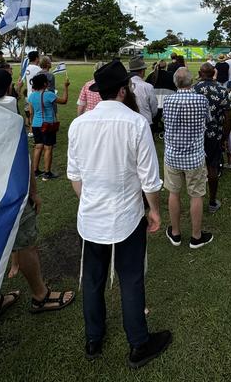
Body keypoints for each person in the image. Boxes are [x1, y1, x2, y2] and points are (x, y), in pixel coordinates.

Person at [67, 60, 171, 367]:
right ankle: (137, 343)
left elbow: (75, 178)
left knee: (93, 279)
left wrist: (91, 202)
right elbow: (150, 179)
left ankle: (94, 339)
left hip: (96, 214)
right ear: (123, 90)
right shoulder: (136, 123)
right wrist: (154, 210)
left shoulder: (80, 124)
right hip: (126, 213)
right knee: (131, 278)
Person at [0, 69, 75, 318]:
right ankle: (41, 295)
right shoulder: (11, 121)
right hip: (10, 193)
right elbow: (22, 161)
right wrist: (34, 192)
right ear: (9, 89)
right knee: (27, 245)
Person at [163, 67, 213, 248]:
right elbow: (207, 121)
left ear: (176, 82)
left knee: (174, 193)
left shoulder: (168, 100)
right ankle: (196, 236)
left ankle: (175, 233)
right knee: (196, 194)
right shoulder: (202, 100)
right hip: (194, 157)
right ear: (191, 81)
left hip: (173, 155)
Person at [194, 63, 231, 212]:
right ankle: (212, 201)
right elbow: (228, 118)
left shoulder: (193, 89)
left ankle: (195, 200)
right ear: (214, 73)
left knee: (195, 169)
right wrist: (224, 138)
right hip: (215, 135)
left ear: (199, 73)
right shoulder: (222, 90)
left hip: (196, 135)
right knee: (212, 168)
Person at [27, 73, 69, 181]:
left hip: (36, 124)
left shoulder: (31, 96)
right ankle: (47, 173)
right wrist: (66, 87)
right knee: (48, 147)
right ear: (45, 83)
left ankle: (35, 171)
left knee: (38, 146)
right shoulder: (49, 95)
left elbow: (31, 112)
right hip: (47, 124)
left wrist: (31, 125)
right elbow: (64, 101)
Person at [129, 57, 158, 132]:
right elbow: (154, 108)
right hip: (145, 122)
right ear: (142, 71)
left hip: (128, 123)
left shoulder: (123, 86)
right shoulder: (147, 87)